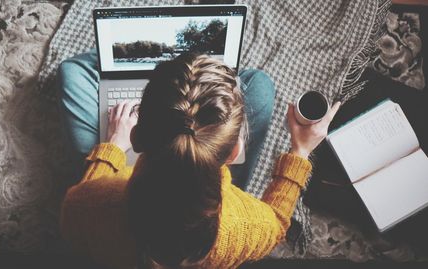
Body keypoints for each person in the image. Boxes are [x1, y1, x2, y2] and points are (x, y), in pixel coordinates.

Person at [58, 50, 340, 268]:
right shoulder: (246, 224)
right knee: (260, 84)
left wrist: (112, 149)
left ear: (137, 135)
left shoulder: (88, 203)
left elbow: (73, 220)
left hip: (125, 182)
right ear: (233, 152)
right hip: (216, 197)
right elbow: (278, 223)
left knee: (75, 69)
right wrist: (300, 152)